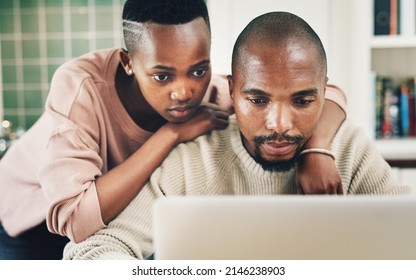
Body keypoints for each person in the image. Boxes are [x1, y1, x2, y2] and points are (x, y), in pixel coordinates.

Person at [0, 1, 346, 260]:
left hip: (114, 225)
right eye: (162, 76)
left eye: (198, 70)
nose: (184, 92)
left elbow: (327, 93)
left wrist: (318, 148)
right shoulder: (80, 85)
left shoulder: (210, 91)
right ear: (128, 63)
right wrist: (172, 134)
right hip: (27, 224)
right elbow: (75, 220)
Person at [62, 11, 410, 260]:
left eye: (303, 100)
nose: (279, 125)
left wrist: (318, 147)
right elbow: (95, 249)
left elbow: (407, 235)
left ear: (324, 91)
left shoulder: (348, 149)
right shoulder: (190, 160)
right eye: (258, 100)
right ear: (231, 91)